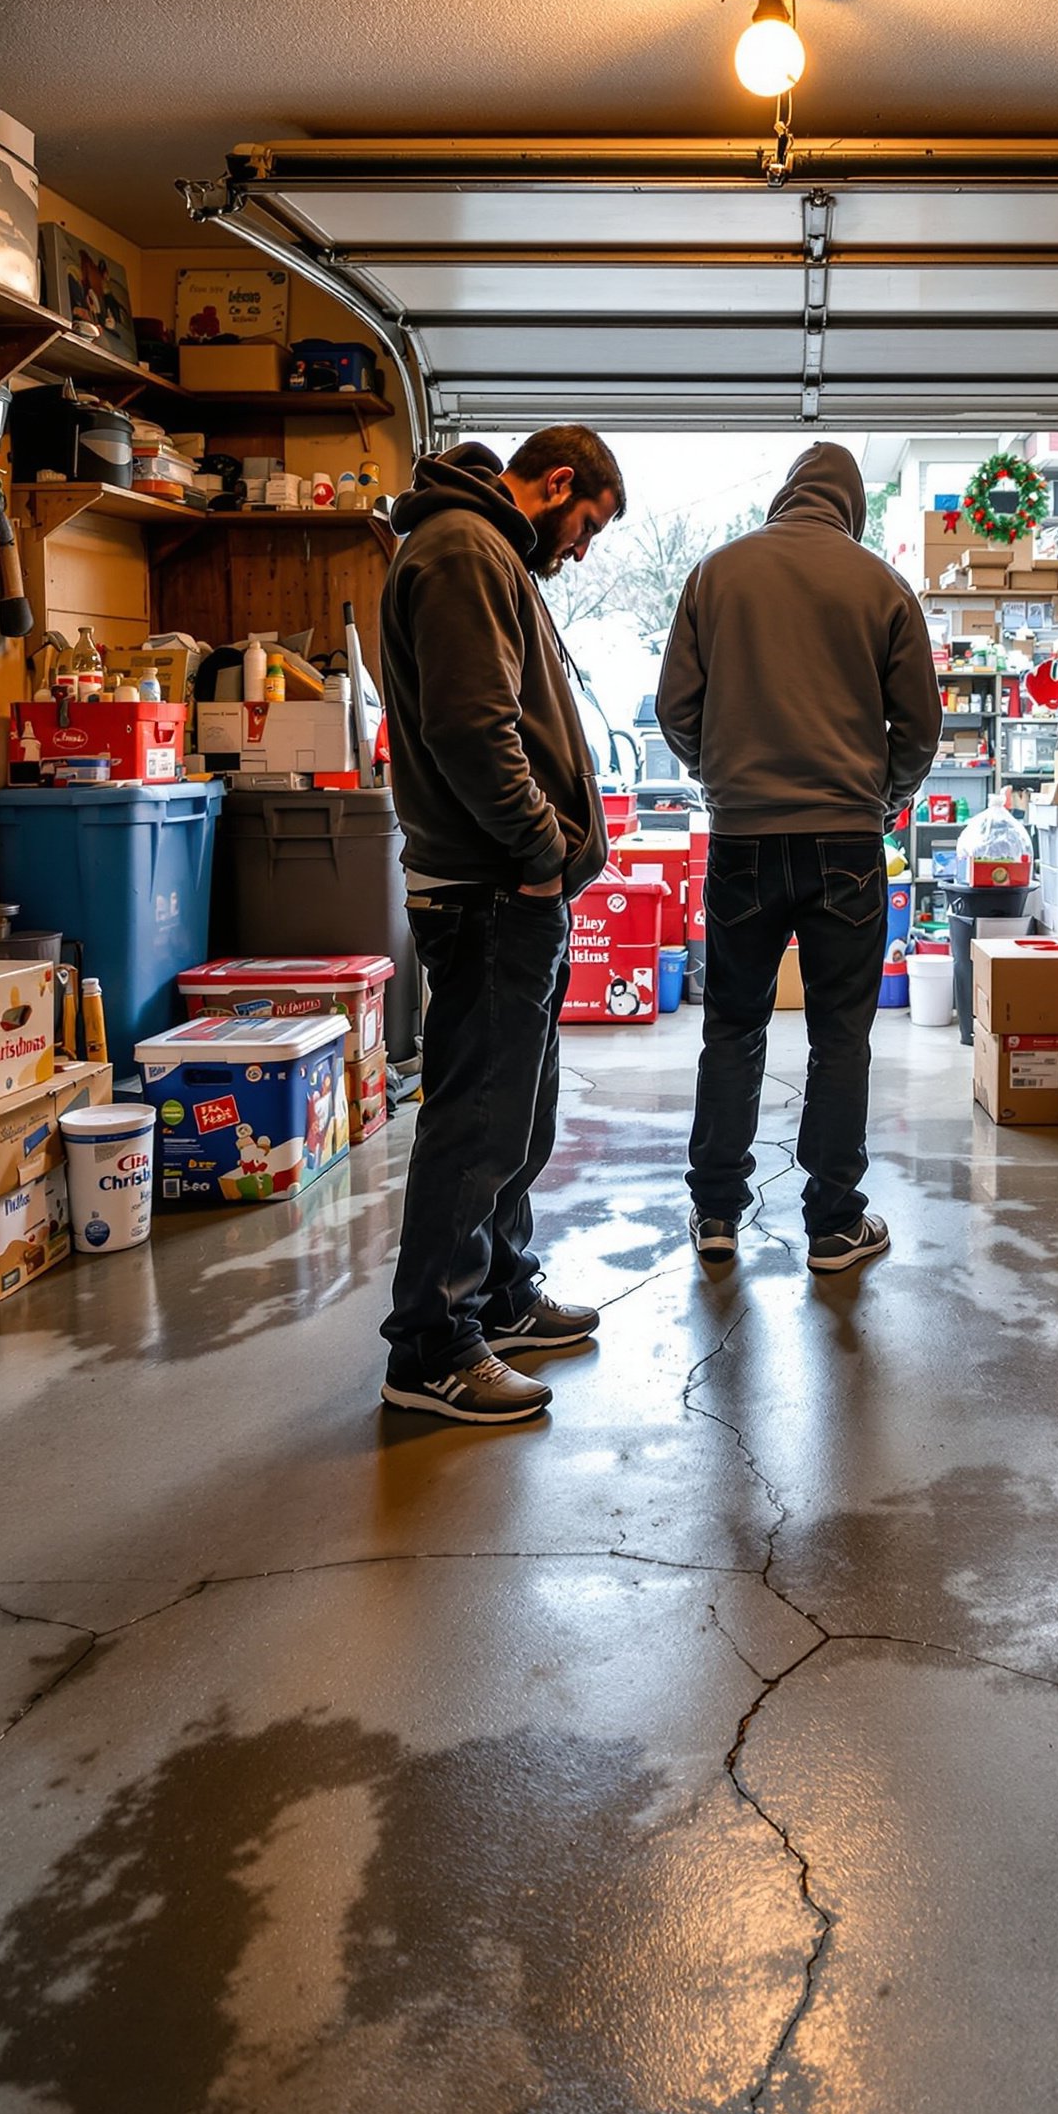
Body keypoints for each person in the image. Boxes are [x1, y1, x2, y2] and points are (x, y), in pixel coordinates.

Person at [379, 426, 625, 1424]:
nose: (578, 551)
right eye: (585, 527)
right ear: (556, 483)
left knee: (517, 1111)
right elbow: (471, 728)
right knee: (478, 1117)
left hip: (511, 891)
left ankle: (499, 1292)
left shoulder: (480, 548)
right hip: (490, 889)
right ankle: (430, 1349)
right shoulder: (462, 550)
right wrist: (537, 855)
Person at [656, 443, 942, 1273]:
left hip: (741, 838)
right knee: (840, 1036)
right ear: (849, 507)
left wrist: (722, 776)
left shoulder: (716, 574)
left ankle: (715, 1214)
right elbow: (920, 727)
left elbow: (677, 706)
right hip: (847, 845)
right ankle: (832, 1226)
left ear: (786, 495)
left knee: (733, 1027)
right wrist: (880, 797)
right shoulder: (881, 584)